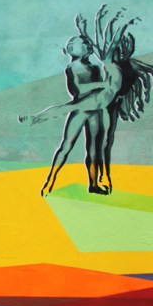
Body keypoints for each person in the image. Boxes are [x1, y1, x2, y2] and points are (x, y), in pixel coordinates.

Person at [19, 35, 117, 196]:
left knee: (94, 150)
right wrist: (102, 84)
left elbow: (101, 90)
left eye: (88, 42)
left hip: (94, 111)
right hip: (80, 110)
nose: (88, 45)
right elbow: (79, 89)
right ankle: (49, 183)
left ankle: (93, 184)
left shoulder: (94, 67)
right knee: (66, 146)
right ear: (73, 49)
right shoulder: (73, 67)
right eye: (84, 43)